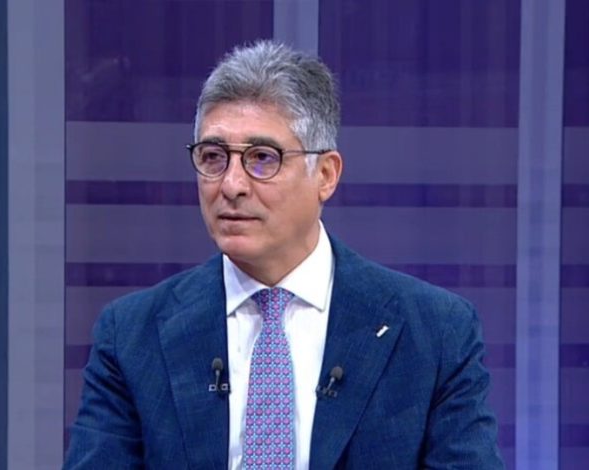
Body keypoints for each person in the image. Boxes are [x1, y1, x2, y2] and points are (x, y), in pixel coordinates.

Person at [64, 40, 503, 469]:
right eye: (214, 157)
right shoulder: (132, 335)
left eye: (262, 158)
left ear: (325, 175)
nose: (231, 185)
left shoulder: (435, 332)